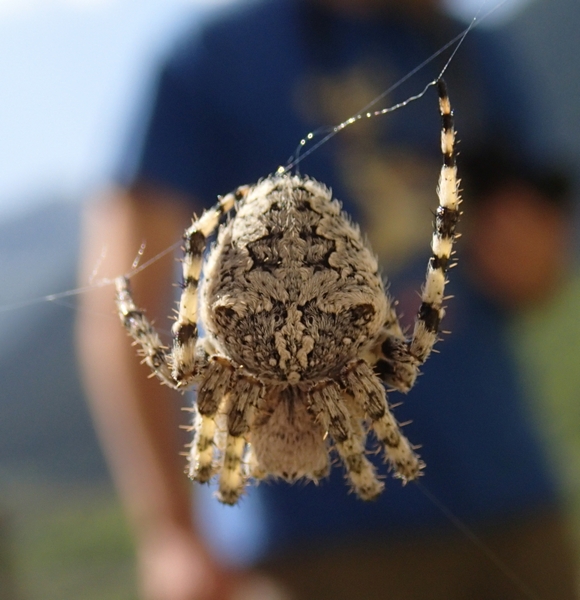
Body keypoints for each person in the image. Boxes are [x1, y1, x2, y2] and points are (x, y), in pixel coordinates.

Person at [77, 1, 579, 599]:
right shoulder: (209, 60)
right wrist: (171, 529)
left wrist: (530, 256)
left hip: (506, 497)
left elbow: (540, 268)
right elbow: (122, 295)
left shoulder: (462, 46)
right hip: (310, 552)